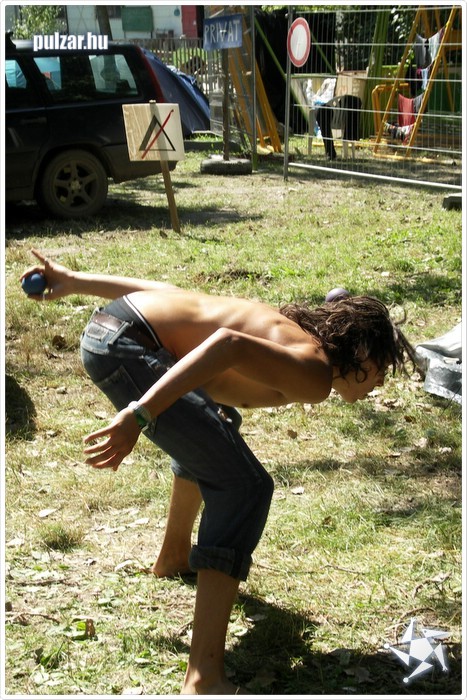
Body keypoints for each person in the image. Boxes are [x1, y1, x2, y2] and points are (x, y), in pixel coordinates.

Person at [21, 249, 415, 695]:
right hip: (126, 349)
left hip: (113, 329)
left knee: (221, 425)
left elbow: (169, 296)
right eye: (383, 369)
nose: (381, 382)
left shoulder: (286, 327)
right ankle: (203, 678)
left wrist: (75, 281)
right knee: (244, 488)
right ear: (362, 353)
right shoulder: (315, 373)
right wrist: (140, 413)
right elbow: (228, 344)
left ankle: (174, 556)